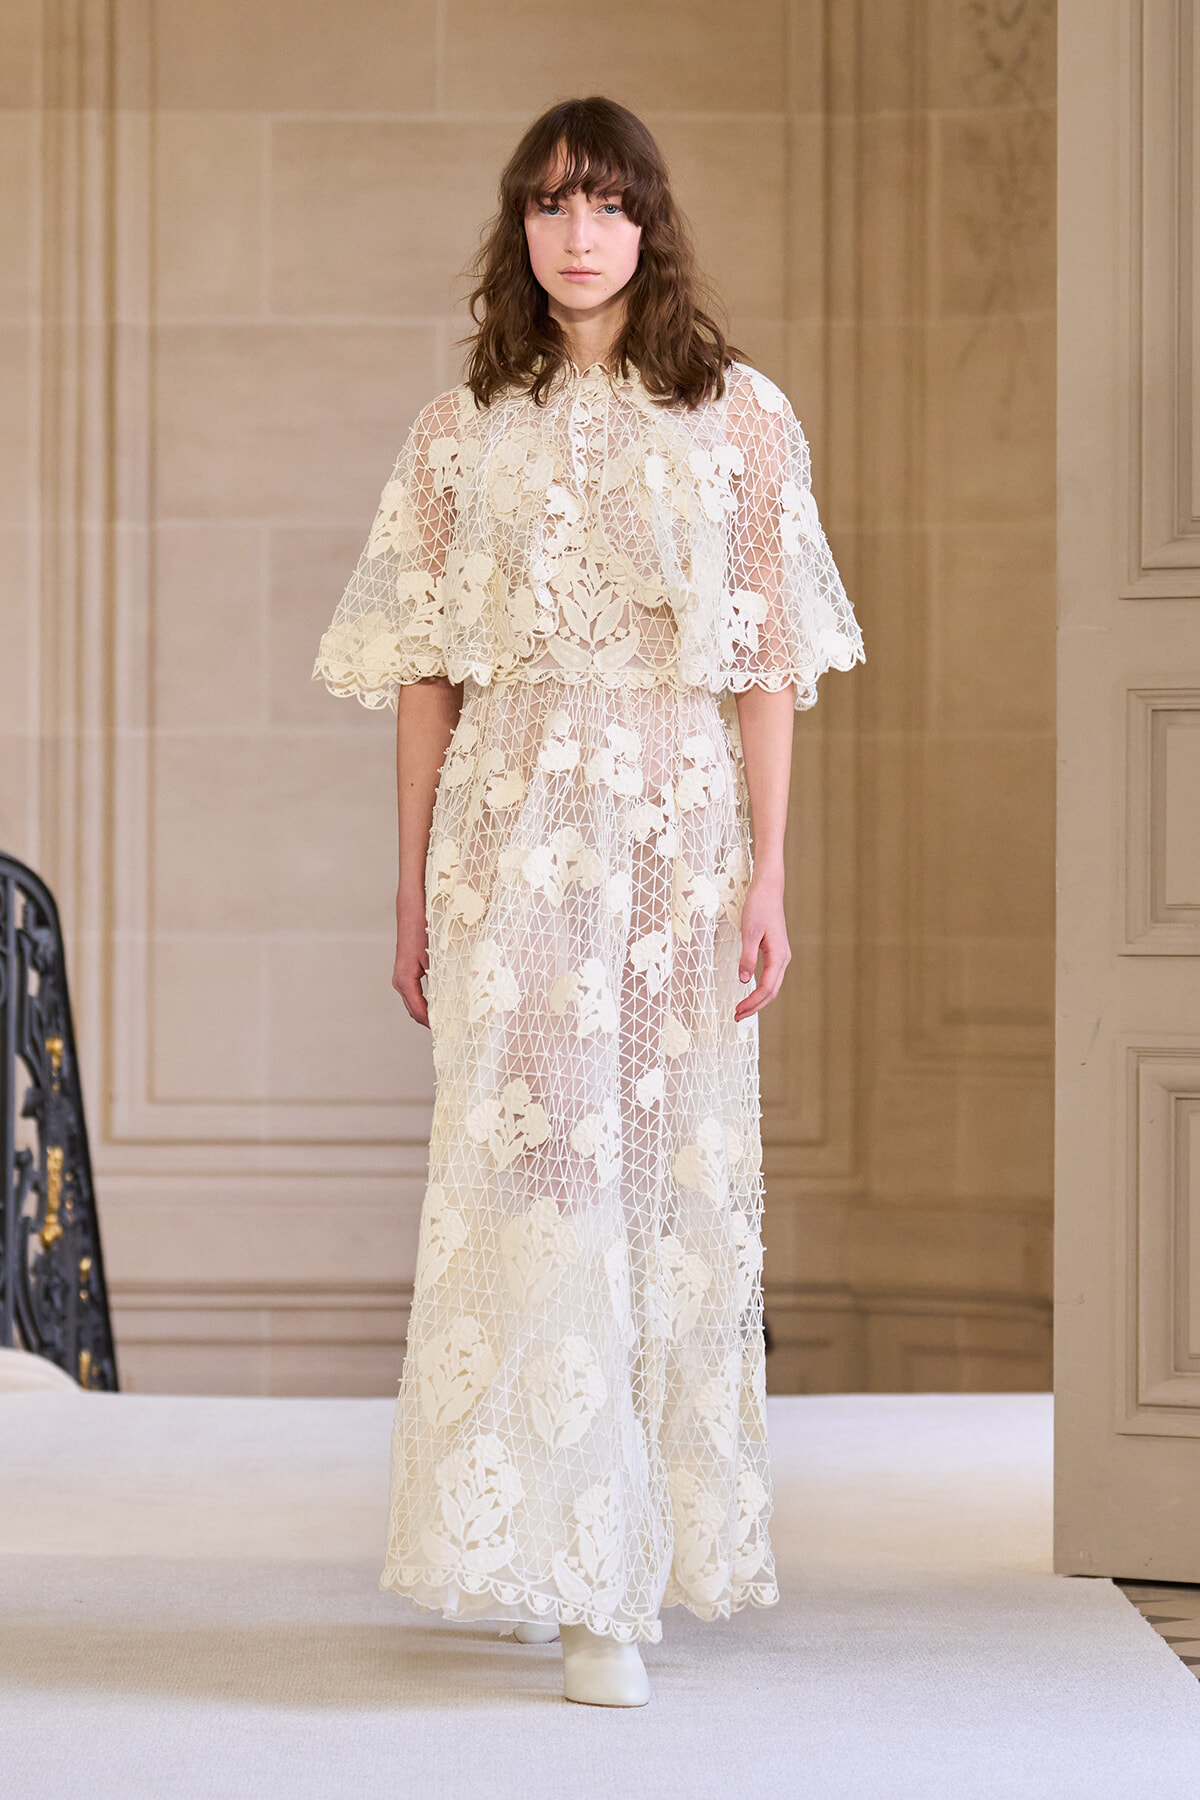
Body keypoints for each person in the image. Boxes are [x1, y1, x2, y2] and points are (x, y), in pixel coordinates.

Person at [314, 95, 863, 1707]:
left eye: (607, 204)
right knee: (533, 1168)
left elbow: (765, 668)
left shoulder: (740, 419)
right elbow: (424, 673)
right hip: (510, 827)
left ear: (649, 225)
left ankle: (620, 1575)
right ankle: (560, 1560)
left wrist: (770, 874)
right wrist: (412, 889)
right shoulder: (457, 430)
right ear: (519, 226)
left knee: (656, 1171)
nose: (577, 233)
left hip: (676, 830)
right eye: (551, 204)